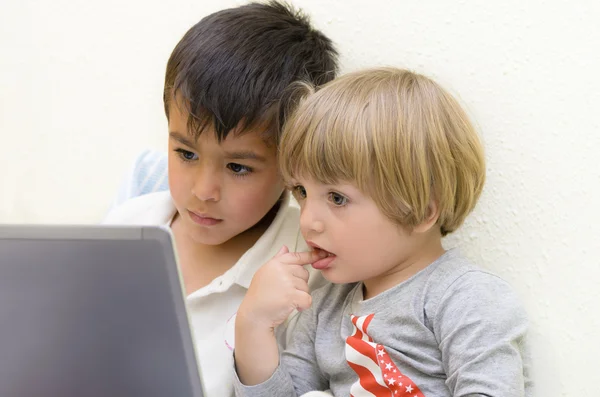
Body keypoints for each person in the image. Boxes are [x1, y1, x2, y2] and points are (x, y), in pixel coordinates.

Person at [233, 68, 533, 397]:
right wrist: (253, 325)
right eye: (302, 192)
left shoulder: (466, 298)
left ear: (420, 210)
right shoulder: (324, 308)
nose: (308, 221)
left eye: (337, 198)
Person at [103, 2, 338, 396]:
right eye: (186, 154)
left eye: (238, 168)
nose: (202, 191)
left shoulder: (311, 276)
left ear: (293, 164)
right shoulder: (129, 224)